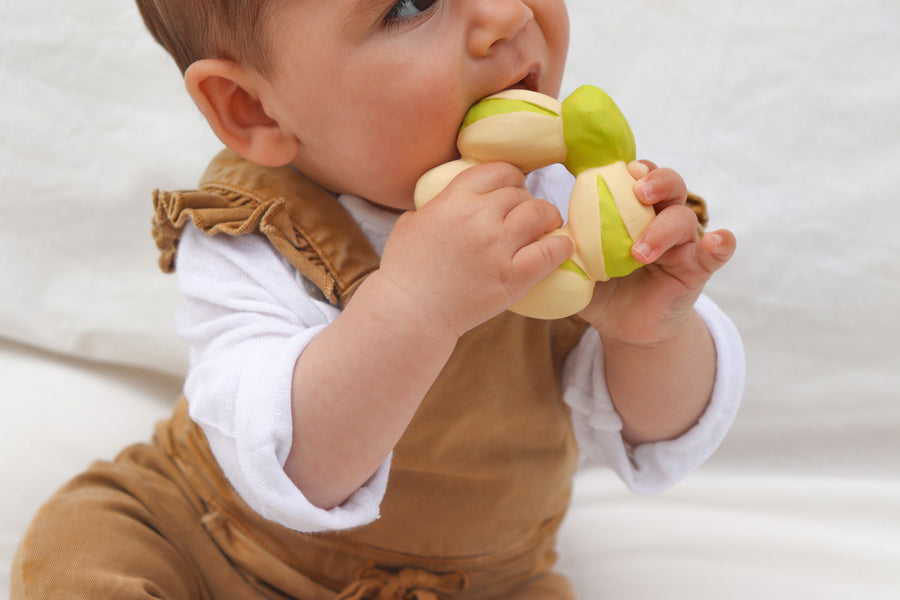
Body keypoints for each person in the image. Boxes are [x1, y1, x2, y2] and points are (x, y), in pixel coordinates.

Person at [11, 1, 744, 598]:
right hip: (226, 538)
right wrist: (419, 306)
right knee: (83, 546)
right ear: (254, 109)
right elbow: (298, 469)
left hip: (483, 580)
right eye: (410, 5)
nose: (503, 14)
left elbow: (655, 443)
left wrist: (651, 336)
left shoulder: (574, 205)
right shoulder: (253, 230)